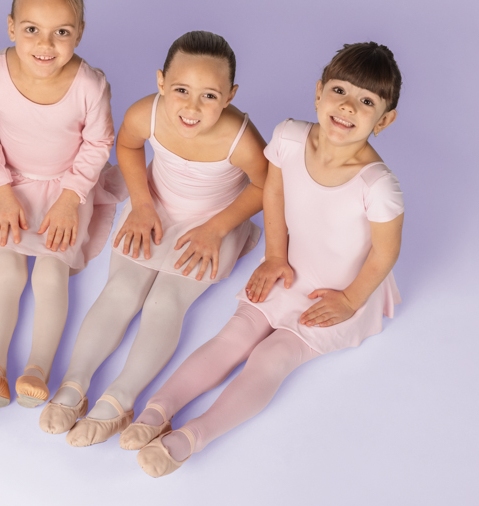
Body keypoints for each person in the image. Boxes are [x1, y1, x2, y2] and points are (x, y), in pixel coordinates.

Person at [122, 42, 405, 476]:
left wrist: (350, 299)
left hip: (340, 287)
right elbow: (272, 192)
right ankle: (156, 411)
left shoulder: (378, 185)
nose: (347, 107)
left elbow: (386, 252)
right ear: (319, 92)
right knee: (235, 334)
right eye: (340, 91)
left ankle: (192, 437)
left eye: (366, 102)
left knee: (272, 358)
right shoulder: (290, 137)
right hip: (289, 266)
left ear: (384, 120)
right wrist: (274, 256)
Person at [40, 31, 268, 447]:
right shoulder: (147, 112)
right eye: (181, 90)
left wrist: (216, 229)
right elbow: (127, 146)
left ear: (231, 96)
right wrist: (143, 205)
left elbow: (264, 186)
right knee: (122, 289)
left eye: (210, 96)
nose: (192, 107)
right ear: (161, 82)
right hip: (155, 208)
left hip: (211, 225)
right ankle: (74, 383)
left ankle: (121, 398)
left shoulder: (241, 139)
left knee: (166, 301)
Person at [0, 0, 125, 410]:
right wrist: (1, 192)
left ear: (79, 34)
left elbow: (98, 143)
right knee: (7, 265)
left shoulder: (89, 84)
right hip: (11, 184)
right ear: (11, 27)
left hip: (67, 189)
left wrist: (71, 200)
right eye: (31, 30)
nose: (45, 46)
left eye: (61, 33)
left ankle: (37, 368)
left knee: (50, 271)